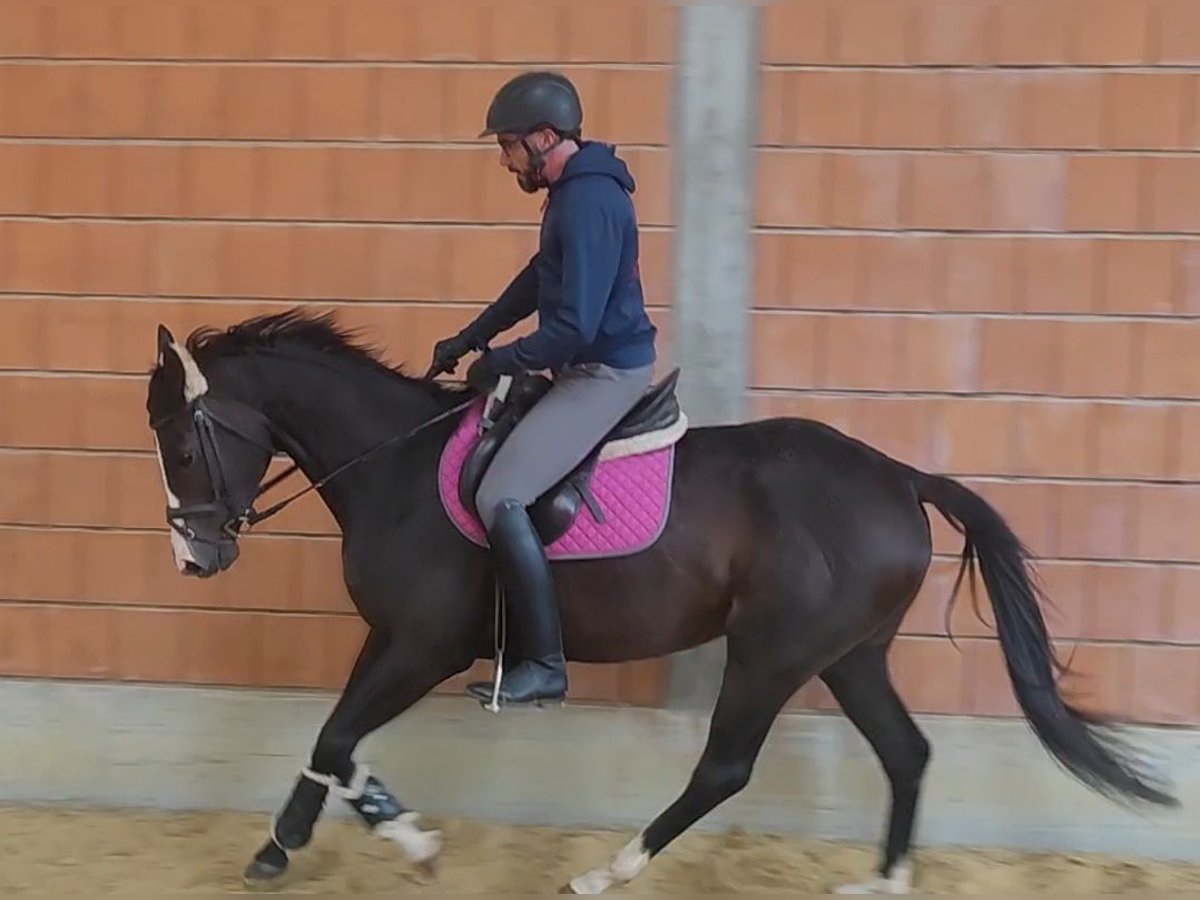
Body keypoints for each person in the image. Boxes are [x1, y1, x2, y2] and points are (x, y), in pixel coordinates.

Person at [428, 70, 658, 707]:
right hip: (581, 362)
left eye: (508, 146)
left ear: (545, 137)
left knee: (503, 492)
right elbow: (540, 277)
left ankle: (545, 664)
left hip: (604, 372)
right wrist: (472, 336)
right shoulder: (569, 193)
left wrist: (497, 362)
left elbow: (571, 328)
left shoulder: (587, 201)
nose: (505, 161)